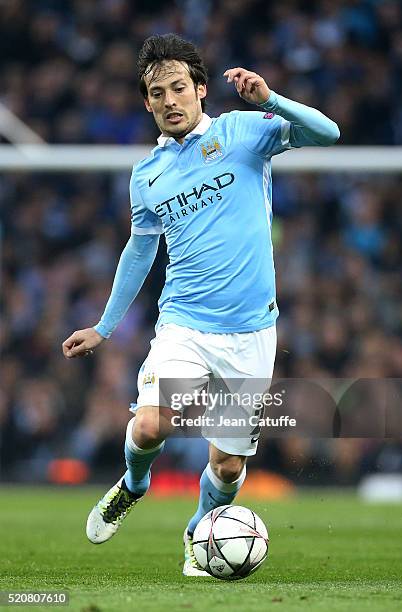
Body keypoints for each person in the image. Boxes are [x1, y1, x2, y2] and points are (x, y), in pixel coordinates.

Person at [62, 33, 339, 576]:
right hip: (185, 325)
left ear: (200, 90)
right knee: (150, 426)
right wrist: (104, 326)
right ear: (147, 102)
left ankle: (198, 539)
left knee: (228, 462)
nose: (169, 100)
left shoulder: (243, 132)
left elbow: (327, 132)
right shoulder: (147, 175)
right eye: (157, 92)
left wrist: (270, 99)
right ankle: (134, 484)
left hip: (252, 333)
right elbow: (139, 251)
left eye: (178, 88)